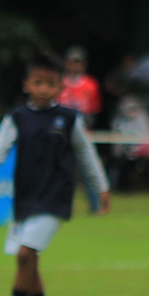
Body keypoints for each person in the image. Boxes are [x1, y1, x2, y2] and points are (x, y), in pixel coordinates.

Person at [0, 53, 110, 296]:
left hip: (55, 197)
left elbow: (86, 155)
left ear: (60, 87)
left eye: (50, 83)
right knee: (28, 259)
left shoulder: (69, 119)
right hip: (26, 198)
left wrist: (101, 187)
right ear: (26, 85)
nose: (44, 88)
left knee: (25, 254)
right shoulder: (17, 117)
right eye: (38, 82)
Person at [57, 46, 103, 212]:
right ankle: (61, 206)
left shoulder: (90, 85)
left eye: (78, 63)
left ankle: (95, 206)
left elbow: (94, 110)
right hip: (62, 135)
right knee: (61, 173)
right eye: (72, 63)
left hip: (83, 133)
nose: (75, 66)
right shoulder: (60, 83)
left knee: (88, 171)